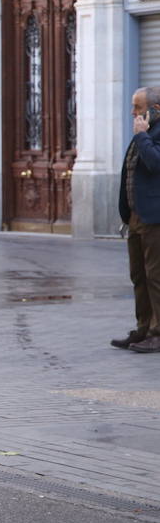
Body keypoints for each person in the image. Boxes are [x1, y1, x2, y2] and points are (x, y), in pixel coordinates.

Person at [114, 86, 160, 352]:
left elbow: (155, 164)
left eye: (138, 107)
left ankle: (157, 331)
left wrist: (142, 137)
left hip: (155, 220)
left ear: (155, 110)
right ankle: (143, 328)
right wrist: (125, 214)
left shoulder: (146, 134)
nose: (133, 112)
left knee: (156, 277)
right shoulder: (141, 135)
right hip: (135, 218)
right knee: (139, 276)